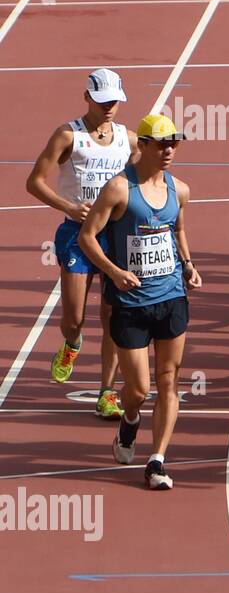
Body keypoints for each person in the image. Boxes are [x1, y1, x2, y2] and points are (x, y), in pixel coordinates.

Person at [78, 114, 198, 490]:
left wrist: (189, 266)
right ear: (141, 145)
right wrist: (114, 273)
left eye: (173, 143)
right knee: (138, 389)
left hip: (171, 297)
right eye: (161, 143)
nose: (168, 150)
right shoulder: (118, 190)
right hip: (129, 303)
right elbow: (87, 237)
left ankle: (157, 459)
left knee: (168, 381)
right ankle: (130, 420)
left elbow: (177, 228)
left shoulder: (180, 189)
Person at [27, 68, 136, 418]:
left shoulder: (128, 139)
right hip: (76, 234)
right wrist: (69, 206)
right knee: (74, 317)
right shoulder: (67, 136)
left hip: (114, 236)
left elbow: (144, 170)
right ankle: (72, 343)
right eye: (102, 101)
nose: (108, 108)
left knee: (112, 316)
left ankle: (107, 392)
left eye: (114, 102)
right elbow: (35, 182)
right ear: (87, 97)